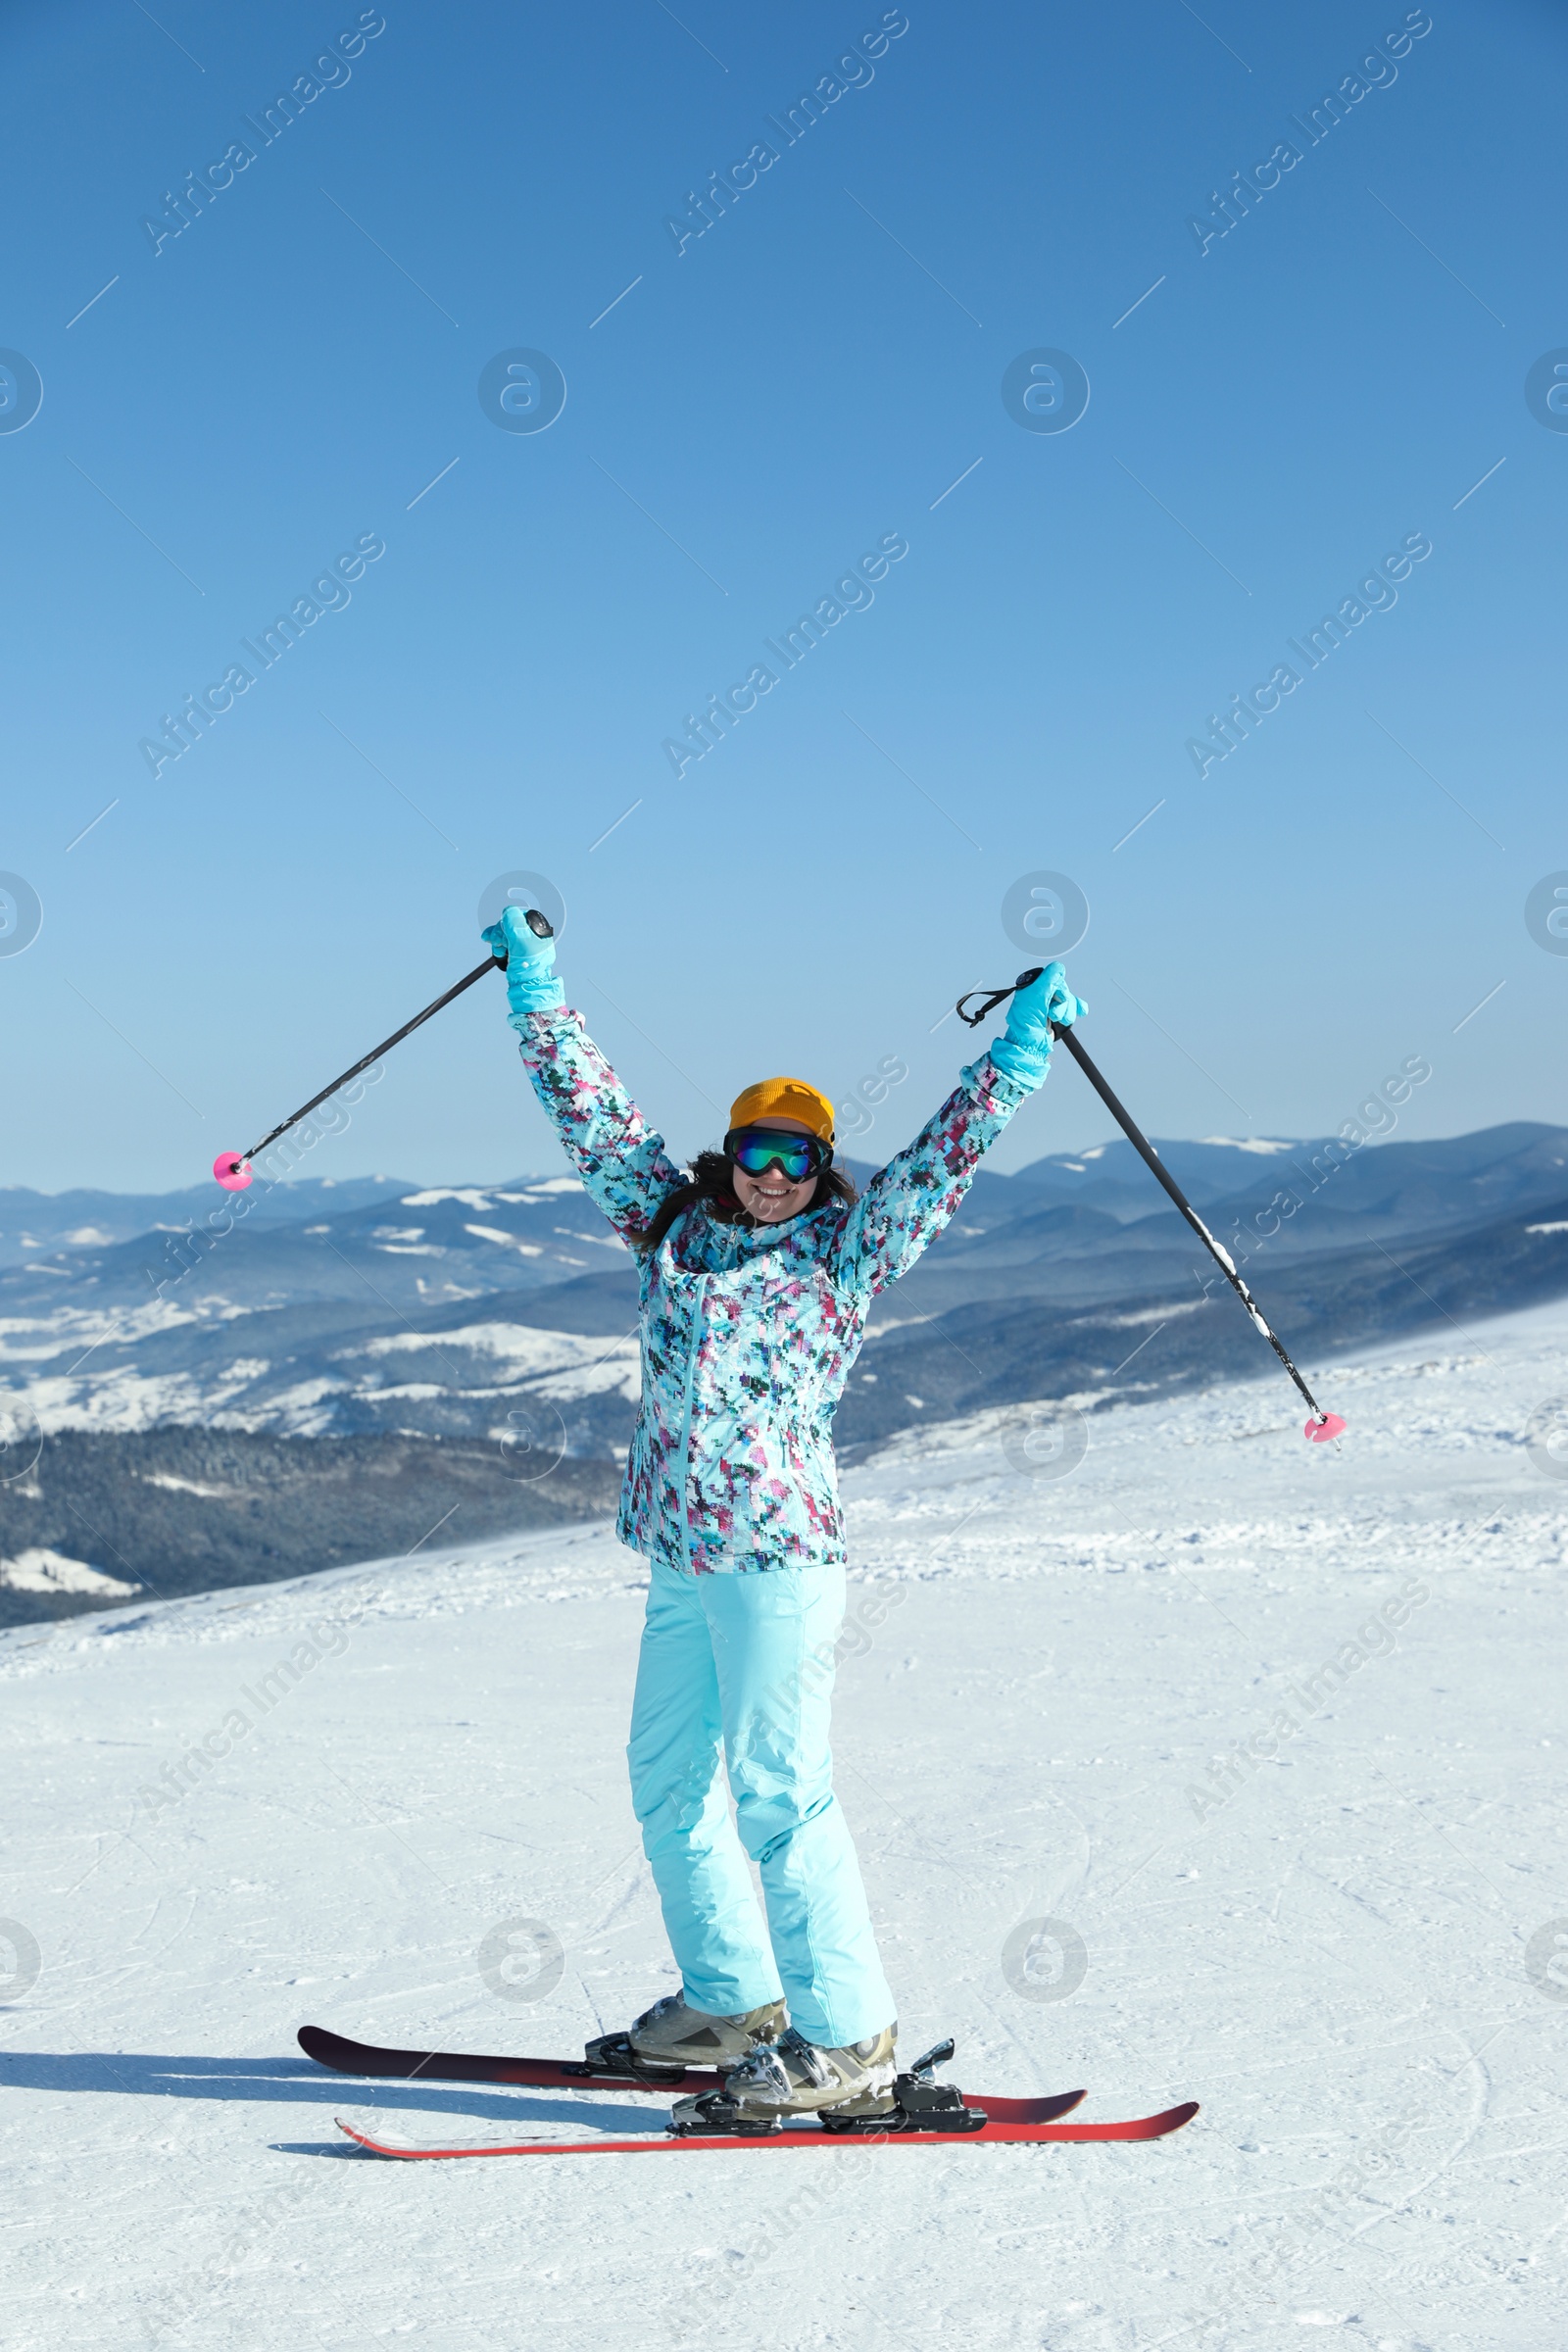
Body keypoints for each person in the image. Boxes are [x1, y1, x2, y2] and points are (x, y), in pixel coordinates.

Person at [483, 903, 1085, 2128]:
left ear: (822, 1169)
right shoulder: (671, 1229)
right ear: (728, 1152)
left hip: (774, 1560)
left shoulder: (847, 1251)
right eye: (754, 1151)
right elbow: (589, 1112)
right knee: (665, 1783)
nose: (770, 1175)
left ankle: (848, 2036)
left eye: (794, 1157)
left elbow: (944, 1156)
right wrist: (536, 993)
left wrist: (1017, 1052)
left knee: (780, 1793)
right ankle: (732, 2001)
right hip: (674, 1551)